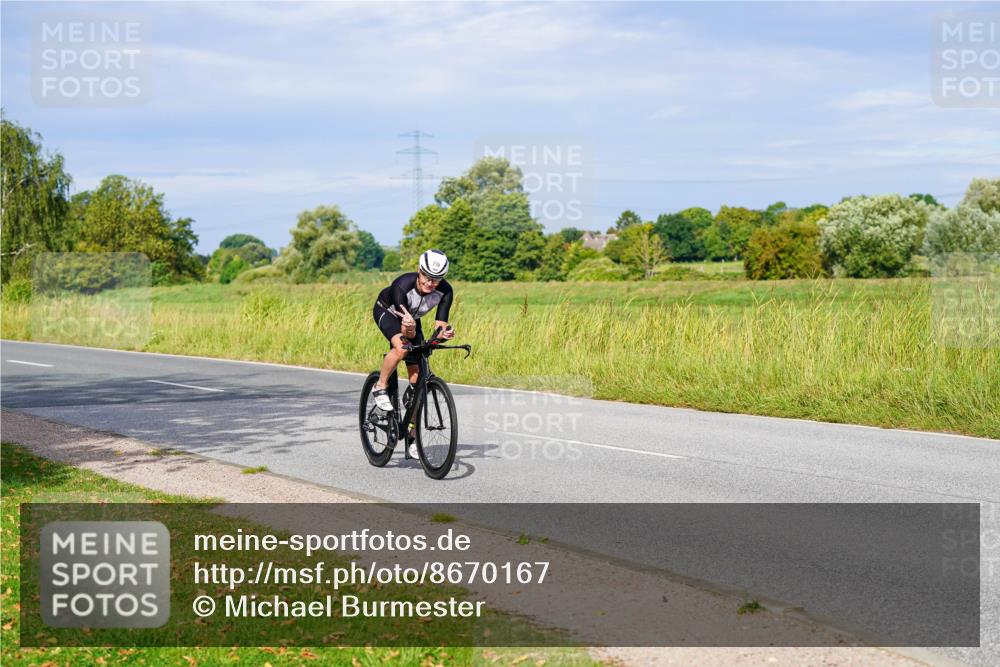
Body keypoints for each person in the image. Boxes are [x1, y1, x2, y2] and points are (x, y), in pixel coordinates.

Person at [371, 250, 455, 454]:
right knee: (401, 348)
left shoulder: (446, 291)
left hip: (412, 319)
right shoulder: (403, 285)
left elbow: (440, 324)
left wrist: (444, 333)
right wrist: (408, 328)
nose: (430, 283)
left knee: (419, 382)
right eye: (427, 277)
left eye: (436, 279)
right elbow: (406, 330)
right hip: (388, 311)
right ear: (419, 271)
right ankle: (380, 386)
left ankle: (412, 437)